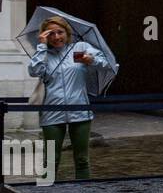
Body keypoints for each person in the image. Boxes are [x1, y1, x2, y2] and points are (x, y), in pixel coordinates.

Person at [29, 16, 111, 180]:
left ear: (67, 32)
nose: (56, 37)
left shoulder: (79, 49)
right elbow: (34, 71)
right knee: (51, 161)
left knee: (82, 160)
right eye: (51, 33)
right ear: (45, 36)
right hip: (52, 112)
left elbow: (108, 64)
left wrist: (92, 59)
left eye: (60, 32)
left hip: (80, 111)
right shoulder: (44, 54)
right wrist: (41, 46)